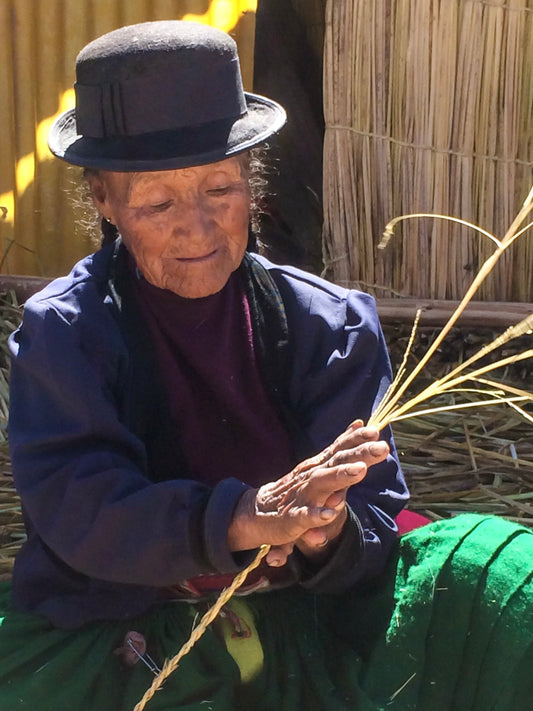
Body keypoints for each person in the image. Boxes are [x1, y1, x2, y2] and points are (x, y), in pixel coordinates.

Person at [0, 20, 531, 711]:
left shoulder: (328, 322)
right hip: (130, 627)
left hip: (314, 613)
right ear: (104, 200)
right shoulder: (65, 333)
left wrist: (326, 528)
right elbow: (83, 510)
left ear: (251, 182)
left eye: (219, 190)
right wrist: (242, 517)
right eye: (158, 202)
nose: (196, 226)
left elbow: (374, 507)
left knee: (499, 575)